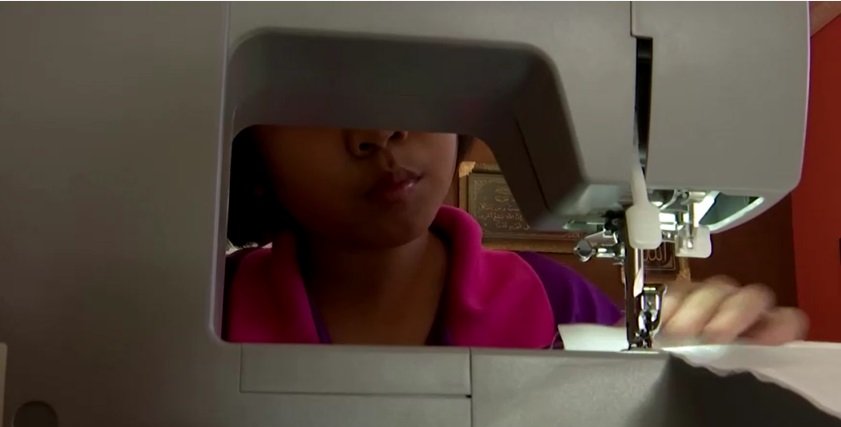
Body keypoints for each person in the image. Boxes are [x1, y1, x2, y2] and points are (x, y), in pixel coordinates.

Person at [223, 127, 807, 348]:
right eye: (317, 102)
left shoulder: (556, 303)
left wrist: (715, 352)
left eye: (410, 85)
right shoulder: (206, 313)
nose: (378, 132)